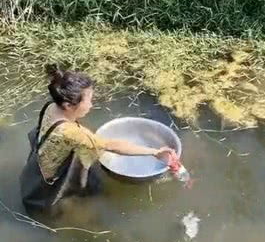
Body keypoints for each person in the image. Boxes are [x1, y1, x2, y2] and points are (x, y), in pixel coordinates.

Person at [20, 64, 173, 211]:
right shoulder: (71, 133)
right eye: (88, 101)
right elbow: (113, 146)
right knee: (83, 194)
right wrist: (155, 152)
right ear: (67, 105)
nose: (91, 105)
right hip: (51, 179)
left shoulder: (51, 106)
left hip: (40, 160)